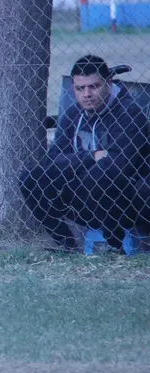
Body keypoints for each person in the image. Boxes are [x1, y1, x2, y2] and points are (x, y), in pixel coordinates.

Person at [20, 55, 150, 253]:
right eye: (80, 88)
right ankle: (68, 246)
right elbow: (53, 161)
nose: (87, 94)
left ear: (108, 82)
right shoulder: (73, 114)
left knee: (101, 176)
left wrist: (73, 165)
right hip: (86, 195)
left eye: (94, 86)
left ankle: (114, 246)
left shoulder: (129, 113)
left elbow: (118, 167)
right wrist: (91, 156)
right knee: (30, 178)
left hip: (127, 201)